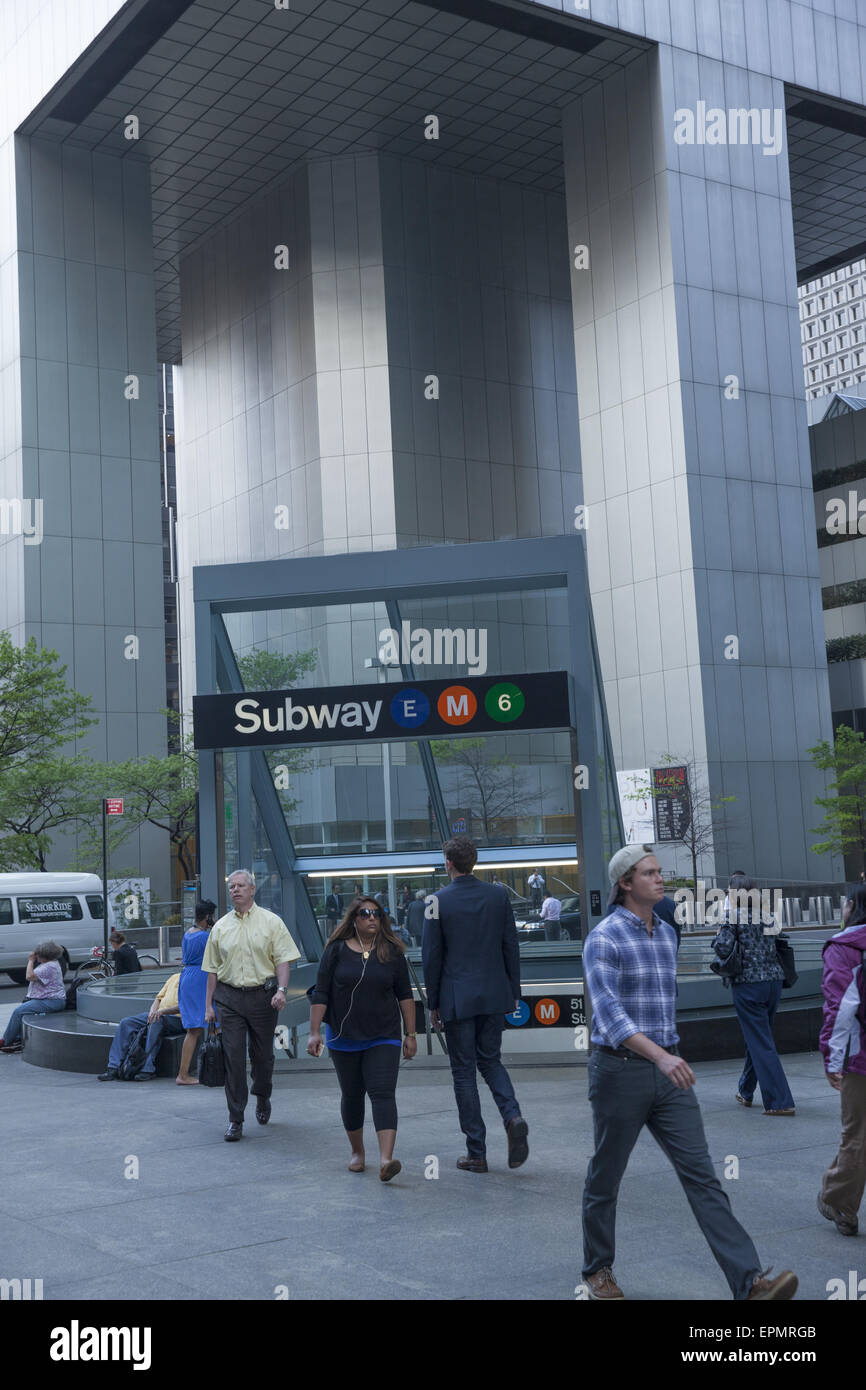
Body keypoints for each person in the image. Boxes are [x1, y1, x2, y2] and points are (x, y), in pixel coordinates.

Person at [580, 844, 797, 1302]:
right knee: (606, 1175)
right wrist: (659, 1056)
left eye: (660, 872)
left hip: (669, 1073)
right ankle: (598, 1269)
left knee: (702, 1177)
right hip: (620, 1072)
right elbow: (610, 1015)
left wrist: (667, 1056)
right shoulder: (604, 938)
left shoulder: (665, 934)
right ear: (625, 884)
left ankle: (750, 1283)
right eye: (650, 873)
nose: (661, 880)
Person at [422, 835, 528, 1173]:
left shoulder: (436, 902)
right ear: (474, 862)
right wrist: (513, 990)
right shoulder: (498, 896)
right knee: (491, 1061)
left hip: (457, 998)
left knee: (463, 1072)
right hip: (495, 994)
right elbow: (510, 944)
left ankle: (477, 1153)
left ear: (448, 863)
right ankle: (512, 1118)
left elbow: (432, 958)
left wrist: (433, 1002)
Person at [307, 896, 417, 1180]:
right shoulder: (335, 951)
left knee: (382, 1093)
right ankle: (357, 1151)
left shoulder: (392, 952)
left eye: (377, 914)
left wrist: (411, 1034)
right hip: (344, 1037)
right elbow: (321, 992)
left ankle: (385, 1160)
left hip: (384, 1035)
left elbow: (405, 995)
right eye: (365, 913)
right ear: (353, 919)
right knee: (353, 1095)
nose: (371, 918)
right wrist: (315, 1031)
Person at [203, 868, 301, 1141]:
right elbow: (211, 969)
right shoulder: (220, 927)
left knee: (263, 1057)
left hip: (263, 997)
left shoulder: (272, 922)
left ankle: (262, 1095)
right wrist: (208, 1006)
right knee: (233, 1058)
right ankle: (236, 1118)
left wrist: (281, 990)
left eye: (240, 885)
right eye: (231, 886)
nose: (235, 890)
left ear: (252, 889)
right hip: (229, 999)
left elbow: (283, 960)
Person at [712, 872, 794, 1116]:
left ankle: (780, 1101)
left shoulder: (732, 917)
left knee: (761, 1042)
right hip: (774, 983)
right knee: (759, 1037)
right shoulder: (767, 915)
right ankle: (746, 1091)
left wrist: (718, 933)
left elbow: (723, 946)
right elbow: (781, 939)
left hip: (748, 985)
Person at [817, 885, 866, 1237]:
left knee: (857, 1134)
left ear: (853, 906)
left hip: (860, 1056)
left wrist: (832, 1059)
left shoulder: (845, 948)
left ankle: (839, 1203)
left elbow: (840, 1008)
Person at [96, 972, 184, 1080]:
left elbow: (186, 1005)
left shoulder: (194, 978)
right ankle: (113, 1067)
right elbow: (158, 998)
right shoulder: (174, 977)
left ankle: (148, 1068)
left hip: (178, 1018)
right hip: (160, 1014)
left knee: (156, 1022)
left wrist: (162, 1012)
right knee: (126, 1022)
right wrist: (153, 1012)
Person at [176, 899, 217, 1086]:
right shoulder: (204, 937)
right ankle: (184, 1075)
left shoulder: (188, 933)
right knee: (202, 1027)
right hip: (200, 979)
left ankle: (185, 1073)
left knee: (194, 1028)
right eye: (212, 916)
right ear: (207, 917)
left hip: (187, 978)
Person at [0, 942, 67, 1053]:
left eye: (38, 954)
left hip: (51, 1001)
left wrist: (31, 961)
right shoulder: (51, 963)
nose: (36, 955)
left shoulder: (49, 966)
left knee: (18, 1012)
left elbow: (29, 976)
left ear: (44, 955)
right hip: (48, 999)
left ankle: (6, 1041)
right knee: (23, 1011)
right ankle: (17, 1040)